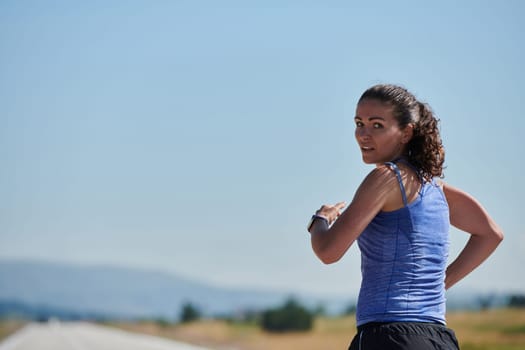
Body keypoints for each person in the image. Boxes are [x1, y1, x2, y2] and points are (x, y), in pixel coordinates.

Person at [306, 84, 503, 350]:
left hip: (388, 337)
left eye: (377, 125)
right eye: (359, 123)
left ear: (406, 132)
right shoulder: (436, 188)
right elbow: (490, 234)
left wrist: (320, 220)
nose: (363, 134)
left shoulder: (386, 177)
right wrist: (439, 285)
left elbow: (328, 251)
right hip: (438, 338)